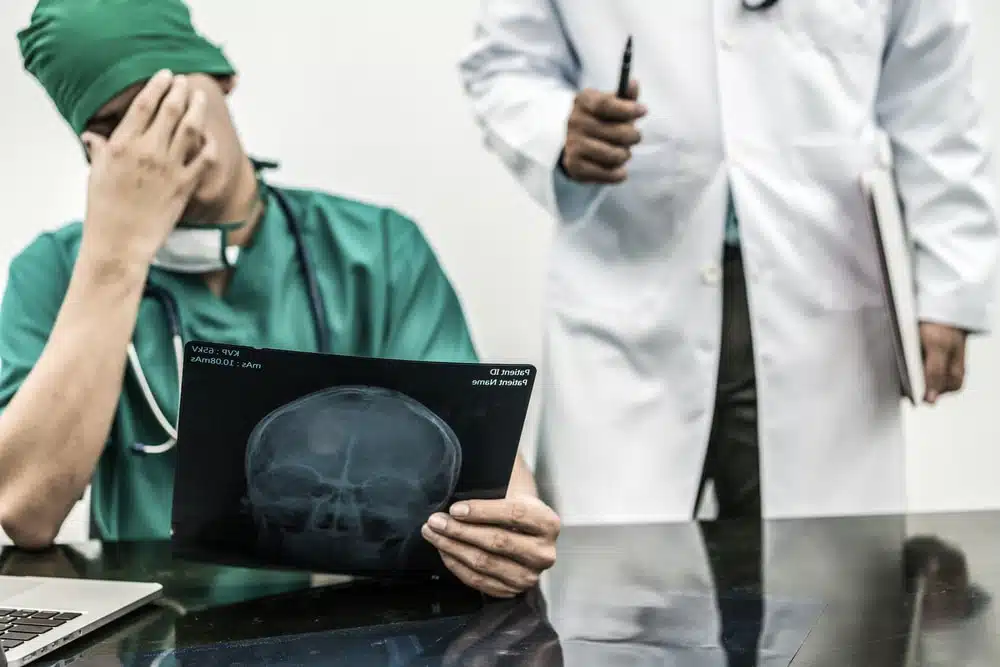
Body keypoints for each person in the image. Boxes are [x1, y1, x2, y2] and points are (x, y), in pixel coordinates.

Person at [0, 0, 559, 599]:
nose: (161, 143)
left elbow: (483, 476)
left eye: (164, 105)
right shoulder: (57, 272)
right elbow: (26, 511)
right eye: (122, 127)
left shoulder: (377, 249)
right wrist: (116, 257)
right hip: (148, 637)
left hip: (360, 628)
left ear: (222, 77)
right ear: (94, 151)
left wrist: (504, 534)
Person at [458, 0, 1000, 523]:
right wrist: (558, 129)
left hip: (828, 299)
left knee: (830, 587)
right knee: (616, 583)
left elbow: (935, 97)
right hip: (631, 287)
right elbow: (504, 64)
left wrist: (950, 287)